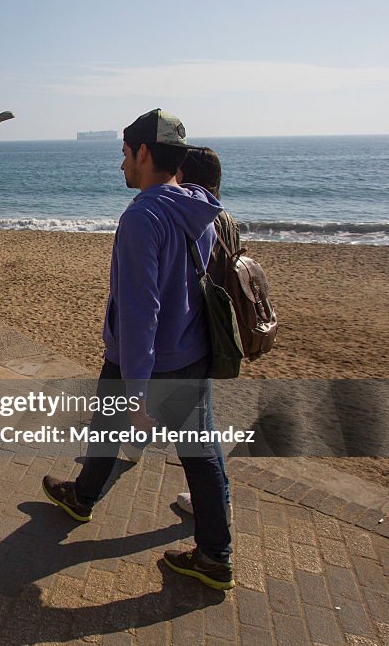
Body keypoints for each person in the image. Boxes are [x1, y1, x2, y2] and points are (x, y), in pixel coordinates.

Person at [41, 110, 235, 590]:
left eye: (125, 154)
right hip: (191, 353)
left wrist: (137, 389)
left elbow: (139, 310)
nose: (122, 164)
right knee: (199, 452)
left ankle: (212, 554)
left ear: (144, 153)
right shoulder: (199, 207)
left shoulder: (142, 217)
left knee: (130, 426)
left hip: (148, 361)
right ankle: (86, 498)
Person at [175, 146, 237, 515]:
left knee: (196, 435)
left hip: (192, 331)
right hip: (215, 331)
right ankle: (217, 500)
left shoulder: (197, 219)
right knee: (201, 424)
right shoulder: (225, 217)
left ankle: (217, 506)